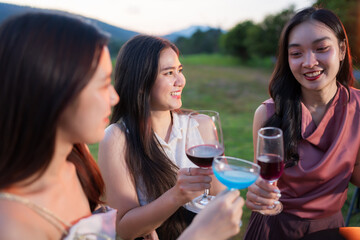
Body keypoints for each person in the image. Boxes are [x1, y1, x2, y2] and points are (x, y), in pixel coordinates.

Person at [0, 11, 244, 240]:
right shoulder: (11, 222)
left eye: (179, 70)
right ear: (50, 90)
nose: (115, 96)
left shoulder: (76, 168)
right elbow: (123, 226)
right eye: (102, 83)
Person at [244, 7, 360, 240]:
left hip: (331, 231)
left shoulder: (358, 107)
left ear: (341, 50)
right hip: (274, 228)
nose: (309, 62)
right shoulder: (267, 114)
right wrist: (258, 194)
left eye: (321, 49)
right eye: (296, 53)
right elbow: (265, 184)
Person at [98, 34, 227, 240]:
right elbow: (123, 229)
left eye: (180, 70)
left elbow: (221, 195)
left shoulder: (201, 125)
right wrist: (177, 196)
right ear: (140, 83)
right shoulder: (116, 138)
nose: (180, 81)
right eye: (169, 73)